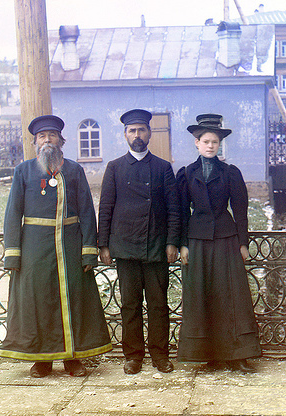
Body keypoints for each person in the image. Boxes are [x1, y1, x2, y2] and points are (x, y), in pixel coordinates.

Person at [0, 115, 112, 378]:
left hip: (70, 247)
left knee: (74, 301)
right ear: (35, 142)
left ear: (61, 140)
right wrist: (12, 253)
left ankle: (74, 359)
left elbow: (86, 211)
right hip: (34, 250)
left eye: (51, 135)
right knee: (39, 302)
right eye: (41, 136)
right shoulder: (23, 171)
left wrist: (88, 250)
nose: (47, 140)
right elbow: (13, 214)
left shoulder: (74, 170)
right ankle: (41, 361)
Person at [98, 109, 181, 374]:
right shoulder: (114, 167)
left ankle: (160, 355)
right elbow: (106, 207)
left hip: (156, 246)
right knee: (130, 305)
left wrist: (171, 242)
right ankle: (133, 357)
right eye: (132, 130)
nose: (137, 135)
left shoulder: (162, 167)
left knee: (158, 304)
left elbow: (174, 209)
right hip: (125, 245)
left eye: (141, 130)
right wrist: (104, 245)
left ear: (150, 134)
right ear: (125, 135)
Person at [177, 114, 261, 371]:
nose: (211, 145)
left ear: (220, 144)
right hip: (198, 239)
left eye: (215, 141)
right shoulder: (187, 173)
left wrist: (243, 243)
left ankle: (238, 355)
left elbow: (241, 209)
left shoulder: (231, 173)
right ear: (196, 143)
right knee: (202, 294)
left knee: (231, 296)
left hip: (226, 239)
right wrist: (182, 244)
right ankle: (209, 354)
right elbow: (180, 212)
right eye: (206, 141)